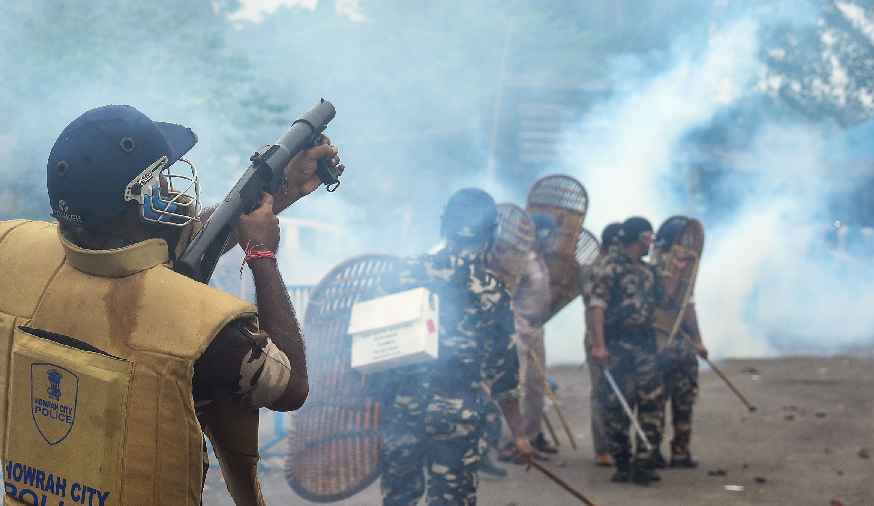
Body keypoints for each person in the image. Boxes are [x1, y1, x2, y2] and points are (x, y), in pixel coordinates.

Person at [0, 104, 342, 506]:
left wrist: (278, 188)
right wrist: (262, 254)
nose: (172, 191)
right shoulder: (207, 330)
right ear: (136, 200)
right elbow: (291, 389)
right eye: (160, 182)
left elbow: (178, 242)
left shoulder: (13, 252)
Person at [378, 188, 532, 506]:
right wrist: (518, 433)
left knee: (399, 500)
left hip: (401, 413)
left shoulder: (402, 274)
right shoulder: (492, 292)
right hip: (457, 419)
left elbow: (372, 343)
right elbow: (504, 375)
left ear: (445, 225)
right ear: (491, 234)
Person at [581, 216, 664, 486]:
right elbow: (596, 306)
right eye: (648, 236)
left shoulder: (648, 272)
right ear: (639, 238)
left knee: (652, 405)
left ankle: (644, 463)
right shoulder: (608, 268)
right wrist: (599, 345)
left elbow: (664, 304)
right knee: (617, 407)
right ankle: (623, 462)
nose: (651, 242)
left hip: (646, 347)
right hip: (618, 347)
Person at [652, 217, 708, 469]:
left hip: (681, 346)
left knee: (684, 399)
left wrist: (697, 340)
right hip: (658, 343)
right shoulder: (651, 270)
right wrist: (673, 272)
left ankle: (680, 451)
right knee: (654, 402)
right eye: (679, 244)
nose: (684, 251)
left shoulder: (688, 273)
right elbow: (663, 300)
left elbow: (688, 307)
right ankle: (651, 451)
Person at [512, 211, 555, 456]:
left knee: (537, 387)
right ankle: (511, 442)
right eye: (550, 234)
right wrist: (520, 325)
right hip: (520, 329)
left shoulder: (540, 260)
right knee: (517, 387)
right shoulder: (521, 260)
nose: (553, 239)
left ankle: (532, 435)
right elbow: (508, 295)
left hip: (537, 328)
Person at [582, 222, 621, 468]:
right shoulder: (592, 270)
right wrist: (598, 343)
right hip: (599, 339)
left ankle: (619, 444)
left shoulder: (619, 268)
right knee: (601, 393)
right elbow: (594, 303)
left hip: (621, 340)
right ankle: (602, 449)